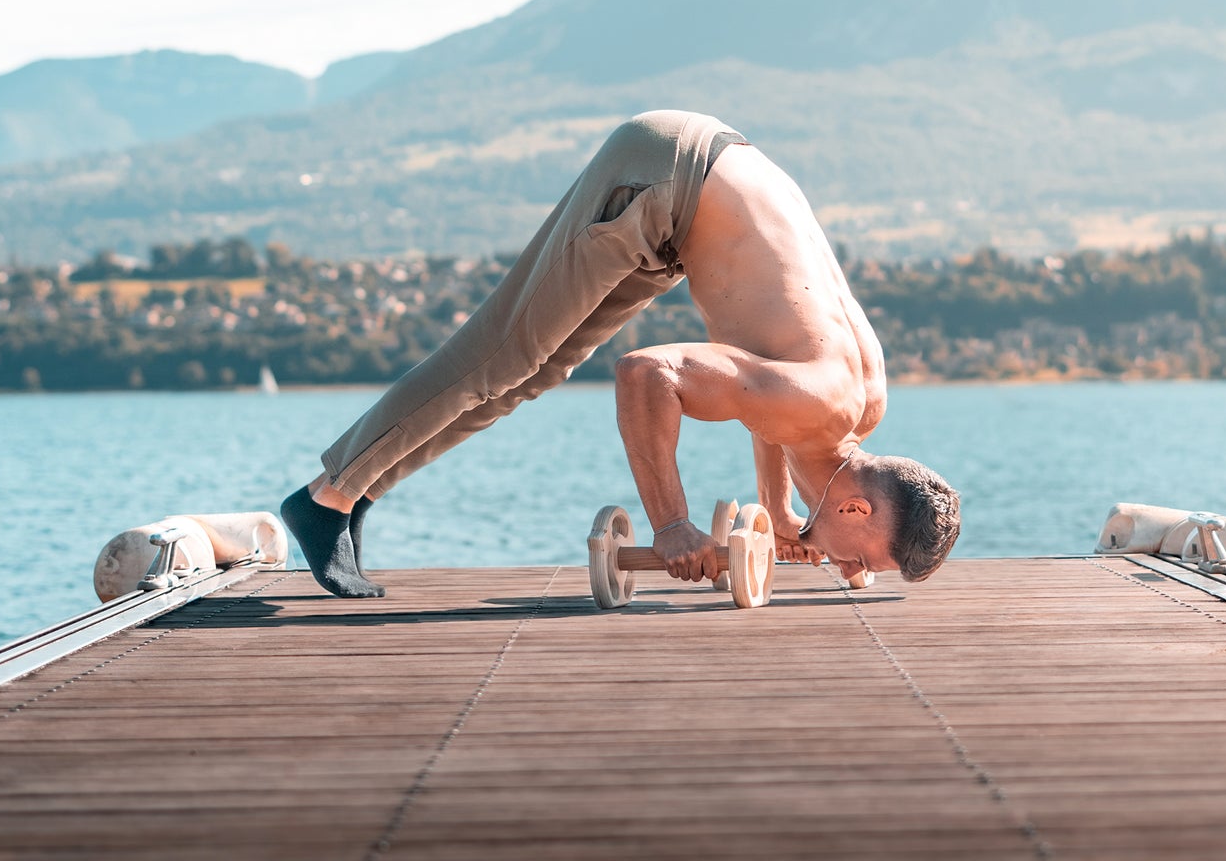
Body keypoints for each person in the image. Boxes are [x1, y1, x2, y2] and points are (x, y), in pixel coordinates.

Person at [279, 110, 961, 596]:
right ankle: (327, 496)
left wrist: (778, 512)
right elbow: (646, 373)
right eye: (860, 561)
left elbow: (766, 405)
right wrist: (670, 524)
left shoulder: (853, 408)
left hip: (698, 188)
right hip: (665, 176)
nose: (851, 573)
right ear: (854, 510)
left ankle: (358, 490)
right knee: (500, 357)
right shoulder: (819, 402)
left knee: (536, 372)